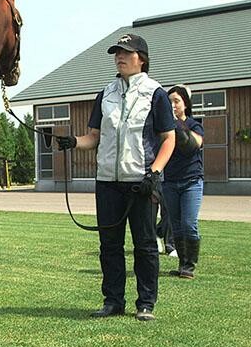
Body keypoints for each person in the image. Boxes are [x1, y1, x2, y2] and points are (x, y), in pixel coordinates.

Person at [56, 33, 175, 321]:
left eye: (126, 52)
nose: (119, 57)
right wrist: (73, 141)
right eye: (116, 53)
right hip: (108, 181)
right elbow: (93, 137)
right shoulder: (105, 93)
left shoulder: (156, 93)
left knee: (145, 244)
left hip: (140, 181)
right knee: (109, 244)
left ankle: (145, 303)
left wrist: (155, 172)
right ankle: (113, 301)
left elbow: (168, 139)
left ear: (141, 59)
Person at [163, 84, 204, 279]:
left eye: (176, 101)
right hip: (170, 182)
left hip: (191, 181)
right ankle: (182, 264)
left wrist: (176, 122)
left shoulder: (194, 125)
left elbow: (192, 145)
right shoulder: (163, 129)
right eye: (169, 101)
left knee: (189, 224)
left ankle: (190, 265)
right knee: (176, 225)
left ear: (185, 104)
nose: (172, 105)